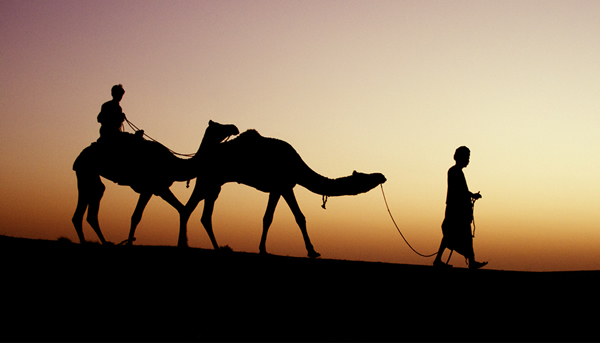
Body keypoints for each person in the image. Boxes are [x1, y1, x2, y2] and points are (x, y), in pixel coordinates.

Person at [433, 146, 487, 270]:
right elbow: (459, 191)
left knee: (455, 236)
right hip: (456, 210)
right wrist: (471, 195)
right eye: (467, 157)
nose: (468, 160)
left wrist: (471, 195)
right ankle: (470, 262)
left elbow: (462, 190)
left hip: (457, 209)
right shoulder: (454, 171)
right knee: (456, 236)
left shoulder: (455, 171)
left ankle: (440, 260)